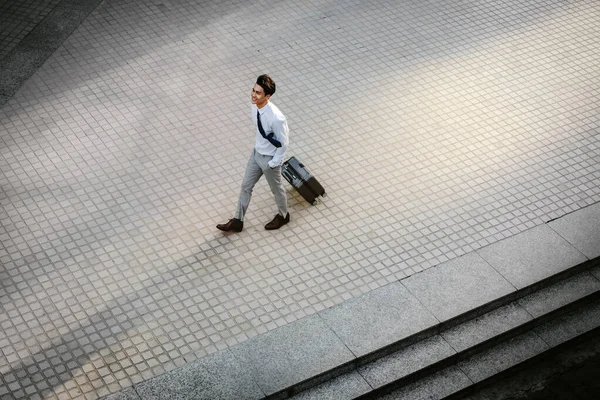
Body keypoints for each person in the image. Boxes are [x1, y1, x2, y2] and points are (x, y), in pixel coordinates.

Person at [217, 74, 290, 232]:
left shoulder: (277, 118)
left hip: (270, 159)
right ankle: (238, 220)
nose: (253, 94)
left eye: (258, 93)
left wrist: (273, 163)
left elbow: (284, 144)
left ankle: (283, 216)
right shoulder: (254, 106)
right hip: (256, 155)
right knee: (246, 186)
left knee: (276, 190)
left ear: (268, 96)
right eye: (253, 90)